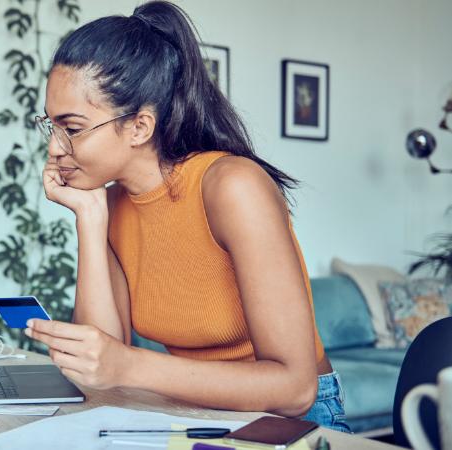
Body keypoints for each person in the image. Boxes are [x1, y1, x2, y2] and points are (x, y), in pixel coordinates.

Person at [24, 0, 350, 432]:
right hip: (194, 413)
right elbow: (102, 374)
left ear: (140, 126)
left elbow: (294, 388)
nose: (55, 148)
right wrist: (89, 215)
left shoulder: (232, 187)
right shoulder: (114, 203)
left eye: (74, 127)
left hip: (292, 422)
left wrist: (127, 366)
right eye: (51, 126)